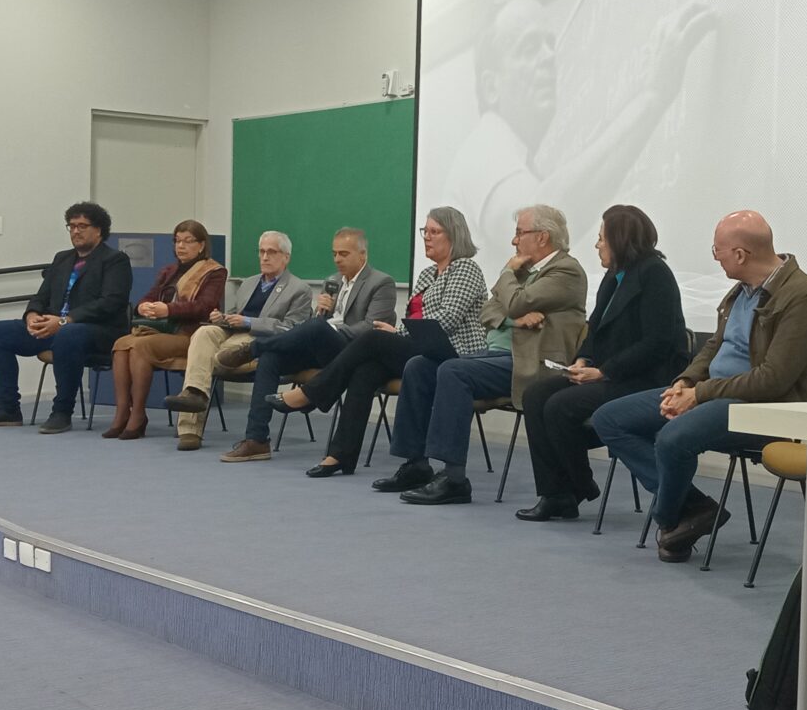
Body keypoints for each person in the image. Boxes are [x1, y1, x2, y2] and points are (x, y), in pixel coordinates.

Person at [591, 210, 807, 562]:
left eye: (717, 250)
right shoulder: (743, 291)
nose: (715, 257)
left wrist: (698, 395)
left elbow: (773, 379)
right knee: (610, 418)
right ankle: (693, 508)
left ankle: (669, 519)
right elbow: (715, 346)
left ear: (740, 254)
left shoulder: (802, 296)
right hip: (715, 394)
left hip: (766, 407)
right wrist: (685, 382)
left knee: (673, 438)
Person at [444, 0, 715, 274]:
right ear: (491, 87)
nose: (549, 57)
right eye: (529, 48)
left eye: (550, 44)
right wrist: (652, 96)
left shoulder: (511, 153)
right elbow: (541, 224)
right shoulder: (486, 147)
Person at [372, 204, 586, 505]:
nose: (514, 242)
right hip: (497, 354)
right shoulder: (527, 272)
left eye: (519, 233)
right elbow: (490, 309)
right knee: (420, 365)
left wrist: (508, 275)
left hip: (533, 363)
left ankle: (454, 478)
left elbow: (513, 301)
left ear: (542, 237)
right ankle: (415, 463)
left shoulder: (565, 270)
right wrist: (513, 317)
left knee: (453, 370)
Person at [266, 206, 487, 477]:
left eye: (434, 232)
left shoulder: (466, 269)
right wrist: (401, 333)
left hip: (453, 352)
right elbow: (415, 319)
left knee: (373, 337)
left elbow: (445, 320)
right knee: (364, 371)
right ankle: (340, 455)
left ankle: (312, 394)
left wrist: (398, 334)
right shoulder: (428, 274)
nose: (427, 237)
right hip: (420, 350)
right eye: (425, 231)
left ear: (453, 235)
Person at [514, 204, 688, 522]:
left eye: (601, 239)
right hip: (609, 374)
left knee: (560, 407)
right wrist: (584, 359)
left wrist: (604, 371)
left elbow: (657, 343)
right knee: (536, 395)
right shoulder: (614, 276)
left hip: (645, 379)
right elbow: (595, 330)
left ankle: (577, 487)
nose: (597, 246)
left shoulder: (655, 275)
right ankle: (555, 493)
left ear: (620, 240)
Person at [172, 227, 396, 461]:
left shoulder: (381, 283)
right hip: (322, 347)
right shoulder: (332, 281)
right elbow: (318, 324)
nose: (337, 259)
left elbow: (371, 327)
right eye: (334, 254)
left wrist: (327, 327)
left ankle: (253, 349)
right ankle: (257, 439)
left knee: (314, 328)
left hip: (350, 351)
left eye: (344, 254)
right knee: (272, 358)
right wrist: (323, 313)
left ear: (363, 255)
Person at [0, 202, 132, 434]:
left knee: (68, 334)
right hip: (55, 327)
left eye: (82, 226)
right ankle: (8, 408)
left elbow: (111, 303)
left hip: (97, 332)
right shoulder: (62, 259)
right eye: (72, 226)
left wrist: (66, 321)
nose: (75, 231)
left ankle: (62, 411)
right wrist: (32, 315)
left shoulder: (115, 260)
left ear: (99, 230)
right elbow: (41, 296)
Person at [165, 231, 312, 451]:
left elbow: (291, 328)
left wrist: (249, 322)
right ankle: (193, 400)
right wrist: (222, 318)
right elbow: (236, 314)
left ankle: (191, 424)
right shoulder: (249, 283)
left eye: (271, 252)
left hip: (259, 341)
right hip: (233, 332)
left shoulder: (299, 289)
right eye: (261, 252)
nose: (264, 257)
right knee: (203, 334)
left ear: (286, 257)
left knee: (204, 360)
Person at [103, 220, 226, 440]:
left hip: (191, 335)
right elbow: (148, 296)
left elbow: (204, 307)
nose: (181, 246)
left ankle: (138, 414)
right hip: (160, 332)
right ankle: (123, 411)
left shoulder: (214, 272)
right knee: (121, 345)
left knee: (139, 346)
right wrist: (144, 306)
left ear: (201, 245)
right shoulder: (169, 270)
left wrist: (167, 310)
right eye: (177, 240)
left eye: (188, 241)